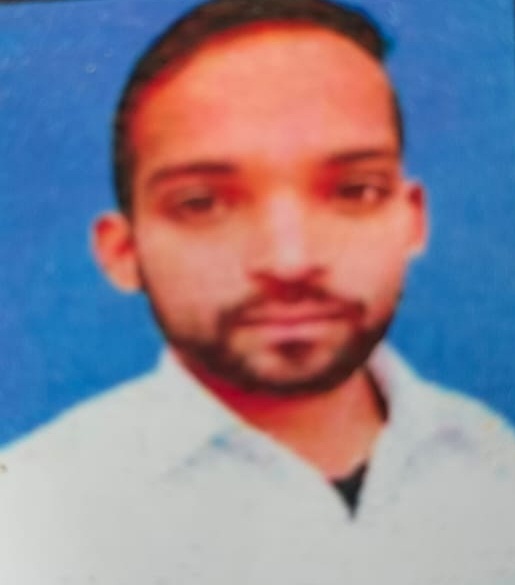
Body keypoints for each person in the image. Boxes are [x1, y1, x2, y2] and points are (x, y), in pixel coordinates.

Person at [1, 1, 515, 583]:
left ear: (412, 220)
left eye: (354, 190)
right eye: (202, 203)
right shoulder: (28, 511)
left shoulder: (494, 464)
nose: (289, 262)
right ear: (123, 251)